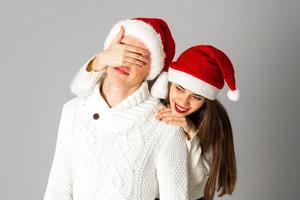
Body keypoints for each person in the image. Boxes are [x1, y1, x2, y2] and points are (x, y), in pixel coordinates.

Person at [43, 18, 189, 200]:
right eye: (121, 51)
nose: (124, 62)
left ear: (153, 68)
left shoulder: (166, 127)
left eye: (138, 57)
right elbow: (58, 189)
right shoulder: (73, 112)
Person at [155, 45, 239, 200]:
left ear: (206, 100)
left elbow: (195, 186)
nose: (183, 101)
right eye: (179, 89)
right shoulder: (153, 102)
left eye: (196, 97)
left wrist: (191, 132)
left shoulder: (215, 122)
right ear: (170, 83)